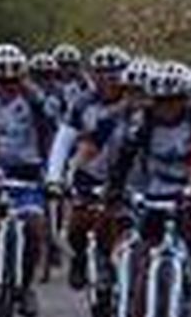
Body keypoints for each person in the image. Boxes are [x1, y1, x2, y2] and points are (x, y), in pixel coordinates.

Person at [107, 61, 191, 317]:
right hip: (154, 199)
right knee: (144, 264)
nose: (167, 107)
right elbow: (123, 161)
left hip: (189, 198)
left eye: (174, 100)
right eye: (160, 100)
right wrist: (115, 194)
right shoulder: (142, 123)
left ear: (186, 99)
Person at [0, 44, 53, 317]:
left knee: (34, 225)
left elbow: (49, 132)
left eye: (14, 80)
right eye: (1, 80)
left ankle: (26, 285)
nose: (8, 86)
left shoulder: (35, 100)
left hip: (27, 170)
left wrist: (49, 170)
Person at [49, 45, 131, 290]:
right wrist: (55, 177)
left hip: (124, 177)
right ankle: (80, 259)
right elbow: (63, 141)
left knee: (118, 225)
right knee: (78, 225)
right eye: (101, 73)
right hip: (89, 172)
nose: (107, 79)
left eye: (114, 73)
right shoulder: (82, 103)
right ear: (93, 75)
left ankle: (116, 268)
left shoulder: (135, 104)